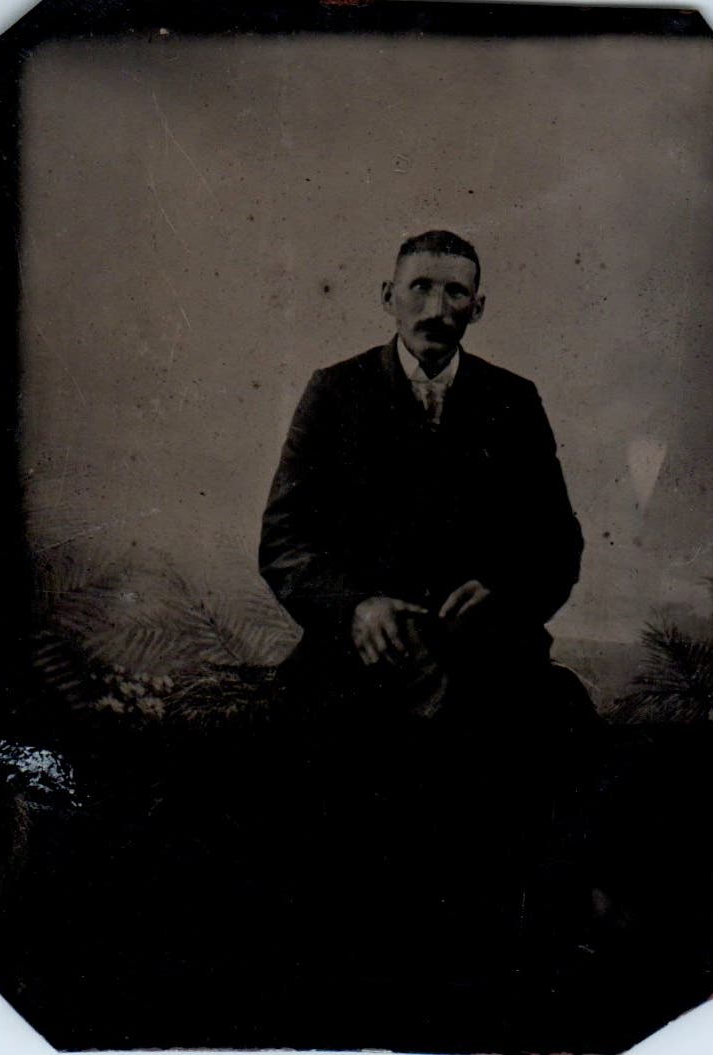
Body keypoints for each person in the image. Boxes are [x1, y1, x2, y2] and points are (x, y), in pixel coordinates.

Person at [258, 230, 597, 975]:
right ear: (387, 297)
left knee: (551, 736)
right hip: (360, 650)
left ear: (478, 306)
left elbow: (557, 546)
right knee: (295, 762)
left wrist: (507, 594)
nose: (436, 307)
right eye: (419, 287)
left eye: (454, 292)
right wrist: (355, 607)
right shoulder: (334, 390)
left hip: (479, 653)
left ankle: (515, 967)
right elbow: (284, 539)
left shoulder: (513, 399)